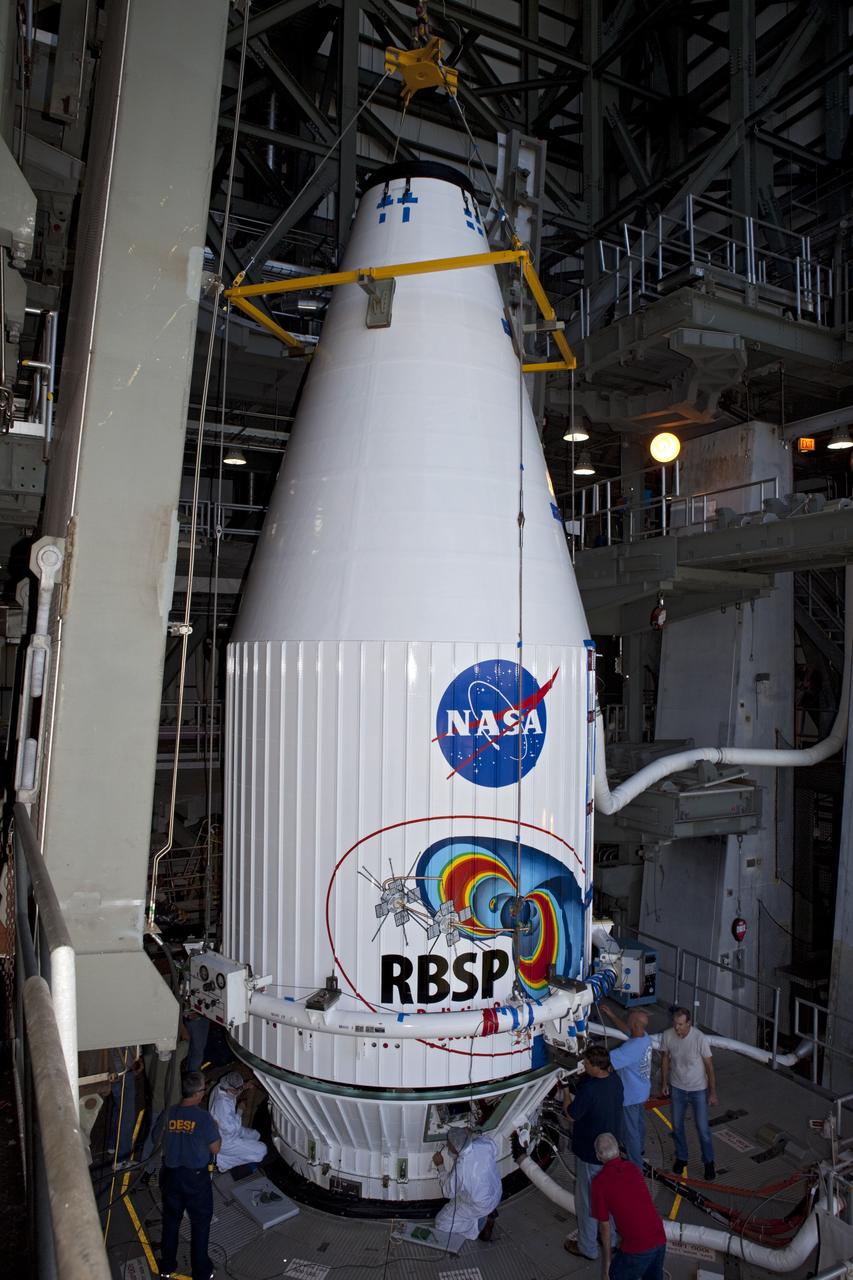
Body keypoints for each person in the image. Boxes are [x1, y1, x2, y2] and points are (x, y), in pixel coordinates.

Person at [564, 1045, 624, 1261]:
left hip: (591, 1154)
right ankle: (611, 1239)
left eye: (586, 1063)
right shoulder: (615, 1080)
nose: (584, 1065)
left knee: (588, 1202)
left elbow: (571, 1115)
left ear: (595, 1066)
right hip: (612, 1153)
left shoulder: (589, 1090)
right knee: (609, 1199)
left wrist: (565, 1091)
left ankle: (587, 1247)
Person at [158, 1070, 220, 1280]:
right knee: (200, 1225)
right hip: (196, 1179)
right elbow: (216, 1148)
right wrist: (215, 1129)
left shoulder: (169, 1113)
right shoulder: (204, 1118)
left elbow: (158, 1138)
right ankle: (201, 1272)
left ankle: (167, 1266)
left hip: (171, 1176)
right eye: (204, 1089)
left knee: (171, 1222)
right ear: (197, 1093)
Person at [592, 1132, 667, 1280]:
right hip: (659, 1237)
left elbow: (605, 1229)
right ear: (618, 1151)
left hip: (638, 1247)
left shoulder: (599, 1183)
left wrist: (607, 1266)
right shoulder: (632, 1168)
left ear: (598, 1156)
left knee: (616, 1275)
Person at [660, 1007, 717, 1180]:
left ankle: (709, 1162)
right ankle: (682, 1157)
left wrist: (712, 1092)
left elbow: (709, 1067)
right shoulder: (667, 1035)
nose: (676, 1028)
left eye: (680, 1024)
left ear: (689, 1023)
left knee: (703, 1128)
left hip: (698, 1089)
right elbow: (665, 1058)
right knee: (677, 1126)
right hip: (677, 1088)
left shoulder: (699, 1038)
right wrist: (664, 1082)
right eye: (675, 1023)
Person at [603, 1006, 652, 1170]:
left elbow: (605, 1061)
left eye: (630, 1019)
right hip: (642, 1092)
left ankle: (636, 1166)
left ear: (636, 1024)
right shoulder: (644, 1037)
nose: (627, 1019)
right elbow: (627, 1030)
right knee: (639, 1124)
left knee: (631, 1132)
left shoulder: (630, 1049)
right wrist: (611, 1014)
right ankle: (640, 1149)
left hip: (630, 1096)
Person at [432, 1126, 501, 1242]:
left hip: (479, 1206)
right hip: (496, 1194)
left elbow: (448, 1192)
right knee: (463, 1190)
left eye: (449, 1144)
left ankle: (479, 1224)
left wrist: (440, 1166)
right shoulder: (484, 1144)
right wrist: (473, 1134)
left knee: (441, 1224)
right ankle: (487, 1212)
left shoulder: (461, 1168)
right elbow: (494, 1149)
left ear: (455, 1148)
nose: (447, 1145)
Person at [208, 1070, 268, 1172]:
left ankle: (236, 1151)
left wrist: (245, 1086)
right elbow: (231, 1130)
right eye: (238, 1089)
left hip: (228, 1128)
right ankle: (222, 1161)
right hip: (224, 1140)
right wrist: (240, 1110)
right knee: (262, 1151)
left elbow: (232, 1093)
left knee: (256, 1135)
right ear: (230, 1089)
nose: (239, 1090)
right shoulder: (222, 1106)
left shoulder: (220, 1086)